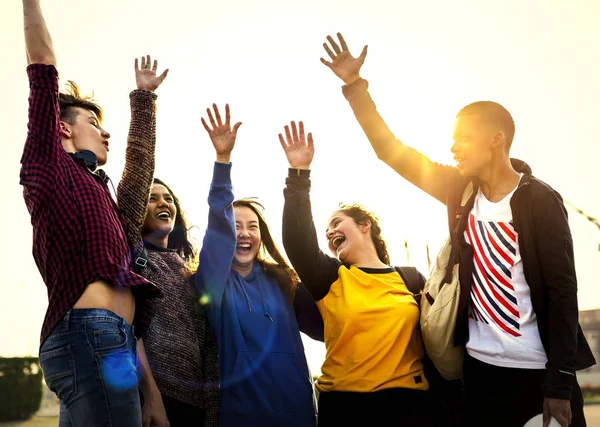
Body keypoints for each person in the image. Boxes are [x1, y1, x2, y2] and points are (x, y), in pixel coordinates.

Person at [320, 32, 596, 427]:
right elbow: (390, 150)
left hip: (536, 371)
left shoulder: (540, 201)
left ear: (496, 139)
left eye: (463, 138)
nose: (453, 149)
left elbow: (562, 290)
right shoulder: (459, 192)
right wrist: (354, 86)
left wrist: (559, 382)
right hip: (479, 373)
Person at [20, 1, 163, 426]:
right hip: (88, 334)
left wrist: (144, 99)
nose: (106, 133)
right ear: (62, 127)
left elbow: (137, 174)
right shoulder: (48, 166)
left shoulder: (100, 192)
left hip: (112, 342)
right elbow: (42, 64)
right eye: (92, 122)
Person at [279, 121, 432, 427]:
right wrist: (299, 174)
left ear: (365, 225)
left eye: (337, 222)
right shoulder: (331, 277)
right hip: (346, 408)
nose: (330, 232)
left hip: (409, 406)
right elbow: (298, 241)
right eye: (326, 231)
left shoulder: (411, 279)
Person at [195, 104, 320, 427]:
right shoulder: (213, 284)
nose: (244, 233)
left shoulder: (284, 281)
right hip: (240, 415)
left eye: (252, 226)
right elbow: (217, 226)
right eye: (235, 225)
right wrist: (223, 161)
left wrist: (300, 174)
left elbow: (330, 324)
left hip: (297, 413)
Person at [116, 58, 219, 427]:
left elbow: (209, 341)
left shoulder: (191, 266)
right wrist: (144, 99)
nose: (163, 203)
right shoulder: (132, 250)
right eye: (152, 197)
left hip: (196, 403)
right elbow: (139, 165)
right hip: (151, 400)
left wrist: (211, 411)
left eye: (169, 198)